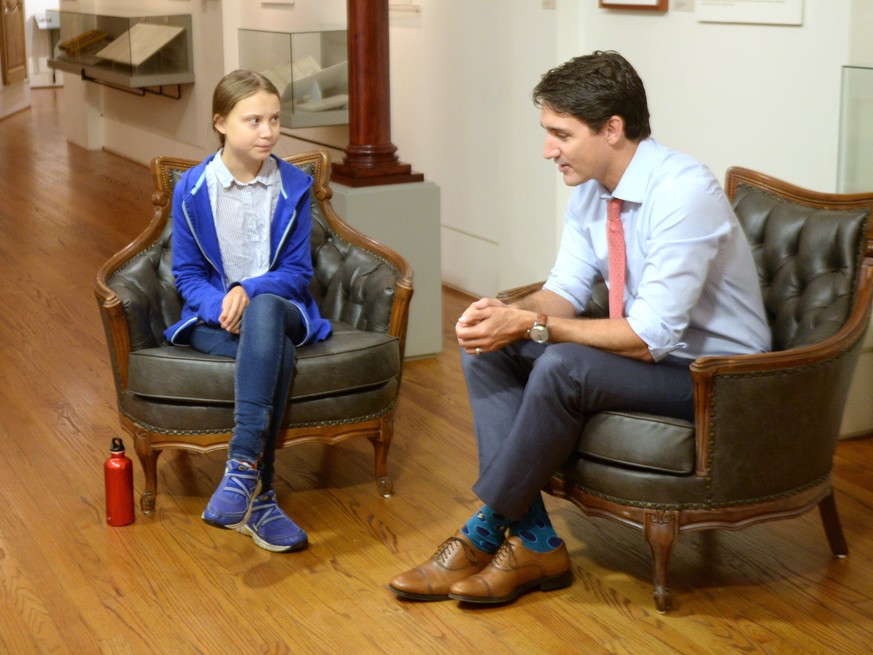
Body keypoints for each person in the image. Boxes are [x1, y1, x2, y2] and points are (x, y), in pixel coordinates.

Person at [388, 51, 771, 604]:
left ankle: (486, 529)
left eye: (560, 134)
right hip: (657, 357)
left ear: (612, 128)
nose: (548, 149)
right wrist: (504, 316)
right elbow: (564, 292)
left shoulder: (682, 193)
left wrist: (535, 324)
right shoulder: (592, 193)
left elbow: (647, 337)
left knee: (563, 364)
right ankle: (536, 541)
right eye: (547, 132)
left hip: (718, 376)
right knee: (488, 350)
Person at [164, 70, 331, 553]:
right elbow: (187, 275)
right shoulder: (193, 189)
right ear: (220, 122)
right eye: (253, 119)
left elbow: (298, 272)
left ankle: (239, 469)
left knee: (266, 317)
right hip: (216, 322)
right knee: (268, 345)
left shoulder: (293, 186)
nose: (268, 131)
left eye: (275, 119)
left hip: (287, 310)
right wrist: (220, 305)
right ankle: (260, 499)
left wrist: (249, 289)